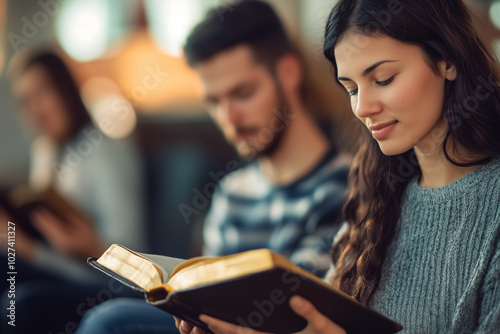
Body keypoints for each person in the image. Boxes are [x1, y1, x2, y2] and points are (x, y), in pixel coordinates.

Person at [173, 0, 500, 333]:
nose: (362, 107)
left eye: (383, 79)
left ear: (447, 59)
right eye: (352, 89)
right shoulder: (374, 197)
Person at [76, 1, 349, 333]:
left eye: (243, 93)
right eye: (214, 101)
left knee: (112, 321)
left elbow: (300, 309)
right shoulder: (231, 192)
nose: (229, 119)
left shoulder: (346, 184)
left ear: (289, 72)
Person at [1, 51, 146, 333]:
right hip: (56, 269)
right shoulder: (45, 150)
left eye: (42, 93)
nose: (35, 110)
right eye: (24, 101)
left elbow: (134, 262)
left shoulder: (102, 152)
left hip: (103, 284)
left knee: (20, 304)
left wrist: (88, 248)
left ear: (65, 90)